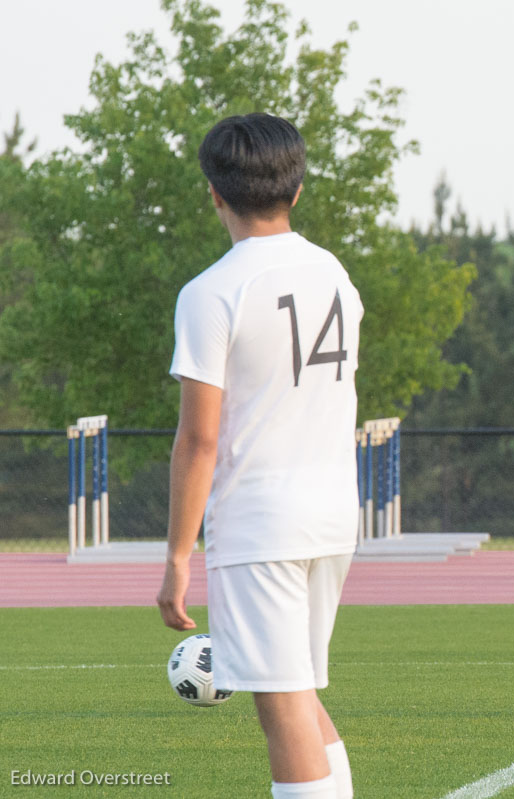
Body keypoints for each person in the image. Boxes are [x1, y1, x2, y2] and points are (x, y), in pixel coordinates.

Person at [156, 113, 362, 799]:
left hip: (260, 520)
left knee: (279, 704)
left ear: (212, 191)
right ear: (297, 189)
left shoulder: (212, 291)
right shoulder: (334, 272)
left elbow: (199, 438)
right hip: (333, 512)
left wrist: (178, 557)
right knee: (295, 690)